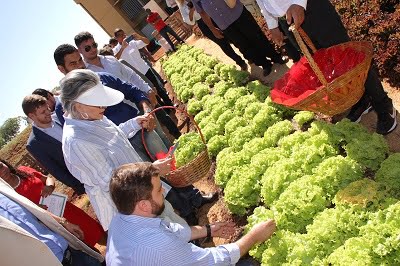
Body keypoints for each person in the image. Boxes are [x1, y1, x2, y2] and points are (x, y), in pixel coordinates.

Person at [256, 0, 397, 135]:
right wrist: (272, 25)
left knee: (349, 59)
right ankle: (362, 99)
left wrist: (298, 2)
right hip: (286, 20)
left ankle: (383, 105)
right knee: (323, 66)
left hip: (311, 8)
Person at [107, 162, 277, 265]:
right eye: (159, 191)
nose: (164, 193)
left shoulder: (121, 219)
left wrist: (209, 230)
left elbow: (172, 230)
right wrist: (254, 237)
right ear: (143, 205)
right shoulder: (157, 245)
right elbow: (213, 261)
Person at [0, 159, 106, 248]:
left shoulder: (23, 170)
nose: (2, 171)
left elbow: (47, 179)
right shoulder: (8, 196)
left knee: (97, 233)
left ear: (5, 163)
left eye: (1, 166)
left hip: (66, 209)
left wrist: (49, 186)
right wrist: (35, 210)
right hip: (54, 225)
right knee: (86, 248)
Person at [0, 178, 104, 265]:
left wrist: (64, 222)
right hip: (50, 261)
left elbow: (32, 210)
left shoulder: (3, 187)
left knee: (95, 242)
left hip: (66, 246)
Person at [192, 0, 286, 76]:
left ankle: (275, 57)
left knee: (257, 37)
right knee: (244, 46)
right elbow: (202, 13)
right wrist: (212, 29)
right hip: (224, 24)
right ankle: (264, 64)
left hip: (238, 13)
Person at [22, 94, 86, 195]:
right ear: (32, 116)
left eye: (47, 108)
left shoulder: (60, 117)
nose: (48, 112)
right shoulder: (34, 144)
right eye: (43, 112)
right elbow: (55, 170)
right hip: (85, 181)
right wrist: (80, 186)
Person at [176, 0, 248, 71]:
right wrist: (192, 10)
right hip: (203, 23)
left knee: (232, 37)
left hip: (213, 15)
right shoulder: (182, 5)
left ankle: (248, 55)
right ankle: (240, 62)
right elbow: (189, 22)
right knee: (222, 44)